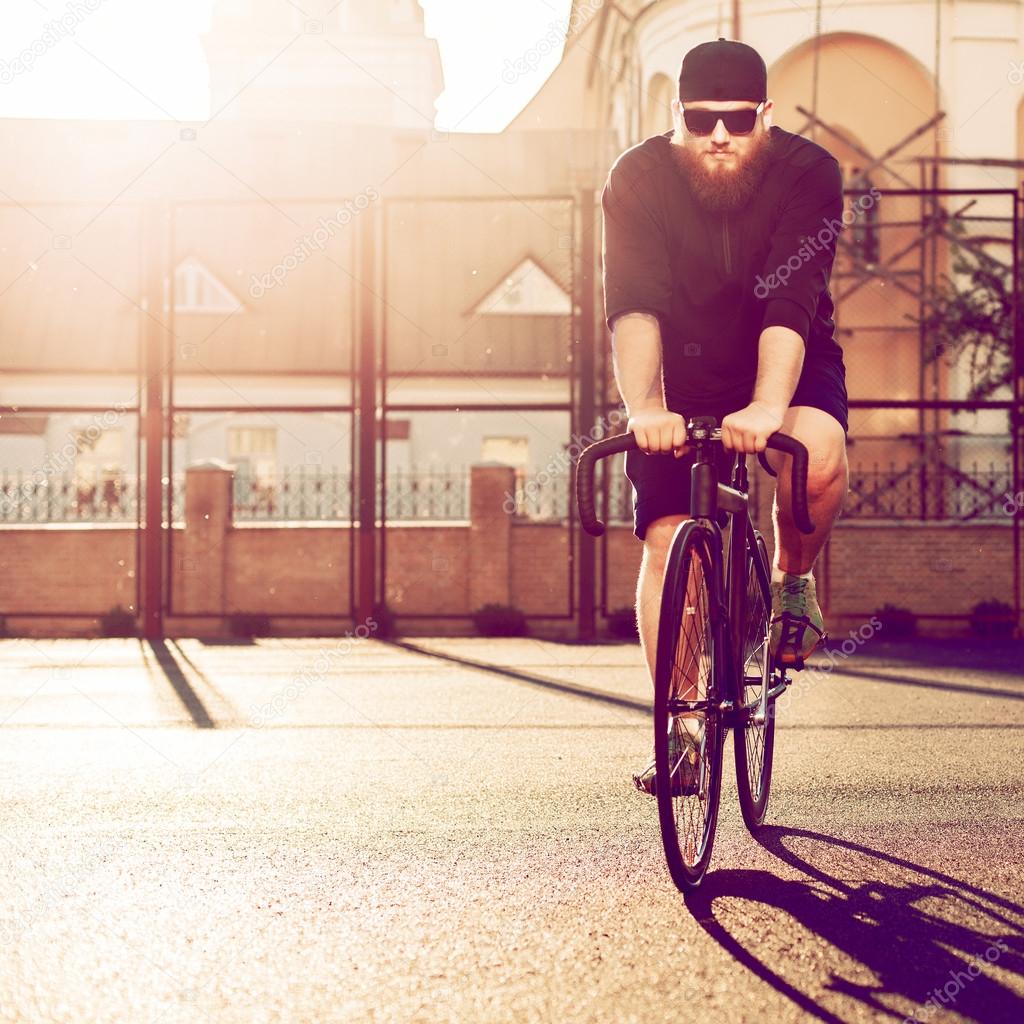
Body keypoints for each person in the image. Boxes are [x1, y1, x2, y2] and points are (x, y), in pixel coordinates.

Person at [600, 38, 850, 795]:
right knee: (666, 538)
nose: (718, 135)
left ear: (764, 115)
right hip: (681, 373)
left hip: (785, 355)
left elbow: (791, 299)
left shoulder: (808, 173)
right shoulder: (637, 177)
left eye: (737, 120)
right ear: (676, 114)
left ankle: (792, 583)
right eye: (701, 119)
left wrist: (770, 405)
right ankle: (681, 733)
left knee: (817, 453)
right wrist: (647, 407)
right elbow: (634, 302)